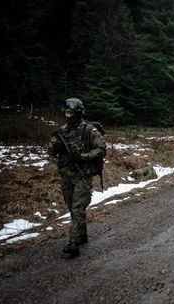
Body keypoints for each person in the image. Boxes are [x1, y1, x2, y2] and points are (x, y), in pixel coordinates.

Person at [48, 98, 106, 257]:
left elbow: (101, 149)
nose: (68, 115)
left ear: (78, 113)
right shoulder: (61, 132)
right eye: (66, 112)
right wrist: (57, 150)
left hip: (82, 175)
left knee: (78, 208)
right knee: (71, 207)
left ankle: (73, 243)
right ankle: (82, 235)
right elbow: (50, 153)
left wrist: (82, 157)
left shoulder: (89, 130)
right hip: (66, 176)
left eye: (71, 113)